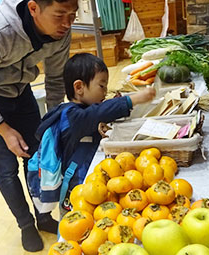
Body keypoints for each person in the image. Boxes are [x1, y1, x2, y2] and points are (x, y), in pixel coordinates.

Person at [0, 0, 78, 252]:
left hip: (19, 91)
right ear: (33, 8)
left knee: (36, 155)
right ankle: (26, 225)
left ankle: (42, 216)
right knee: (7, 165)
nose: (67, 23)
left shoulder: (60, 32)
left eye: (72, 15)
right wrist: (4, 130)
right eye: (60, 14)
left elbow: (55, 80)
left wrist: (52, 120)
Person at [28, 53, 156, 214]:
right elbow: (94, 115)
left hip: (91, 184)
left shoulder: (78, 112)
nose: (104, 92)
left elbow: (92, 118)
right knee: (75, 221)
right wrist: (132, 99)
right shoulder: (72, 116)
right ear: (79, 87)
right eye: (101, 86)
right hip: (77, 189)